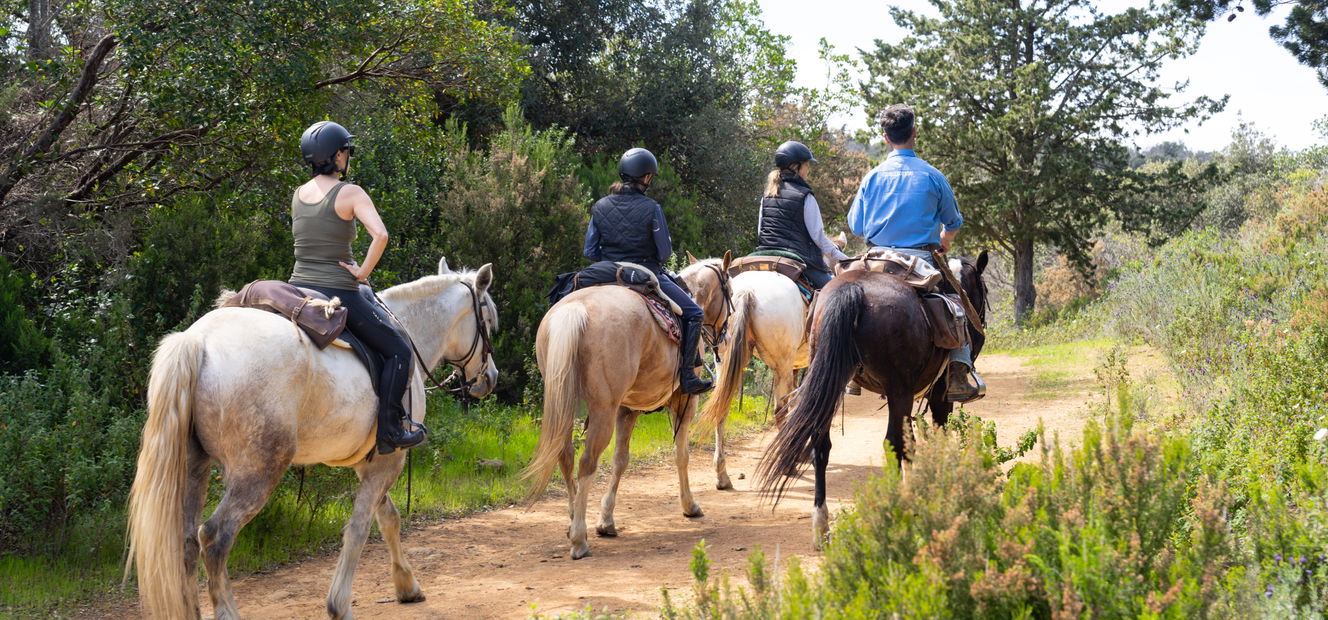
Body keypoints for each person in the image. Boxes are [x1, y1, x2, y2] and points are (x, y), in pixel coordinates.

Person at [288, 121, 425, 454]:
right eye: (346, 151)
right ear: (337, 156)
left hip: (298, 289)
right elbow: (381, 234)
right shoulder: (350, 193)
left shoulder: (299, 194)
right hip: (339, 290)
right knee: (399, 351)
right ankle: (390, 430)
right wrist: (362, 272)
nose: (348, 157)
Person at [847, 104, 984, 402]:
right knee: (956, 303)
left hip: (876, 260)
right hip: (919, 260)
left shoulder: (872, 177)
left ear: (886, 138)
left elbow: (856, 226)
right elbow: (953, 222)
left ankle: (851, 369)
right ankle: (958, 371)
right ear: (914, 133)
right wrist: (945, 240)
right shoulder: (933, 176)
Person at [582, 148, 713, 394]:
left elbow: (589, 251)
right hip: (645, 271)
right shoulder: (652, 208)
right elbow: (664, 253)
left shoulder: (600, 206)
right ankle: (688, 377)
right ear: (646, 177)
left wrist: (612, 261)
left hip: (605, 271)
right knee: (695, 313)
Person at [754, 141, 849, 289]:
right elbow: (818, 238)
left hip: (764, 255)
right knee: (837, 292)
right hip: (798, 259)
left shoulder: (767, 196)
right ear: (795, 167)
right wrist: (844, 258)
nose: (808, 169)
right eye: (806, 165)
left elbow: (761, 232)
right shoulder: (805, 196)